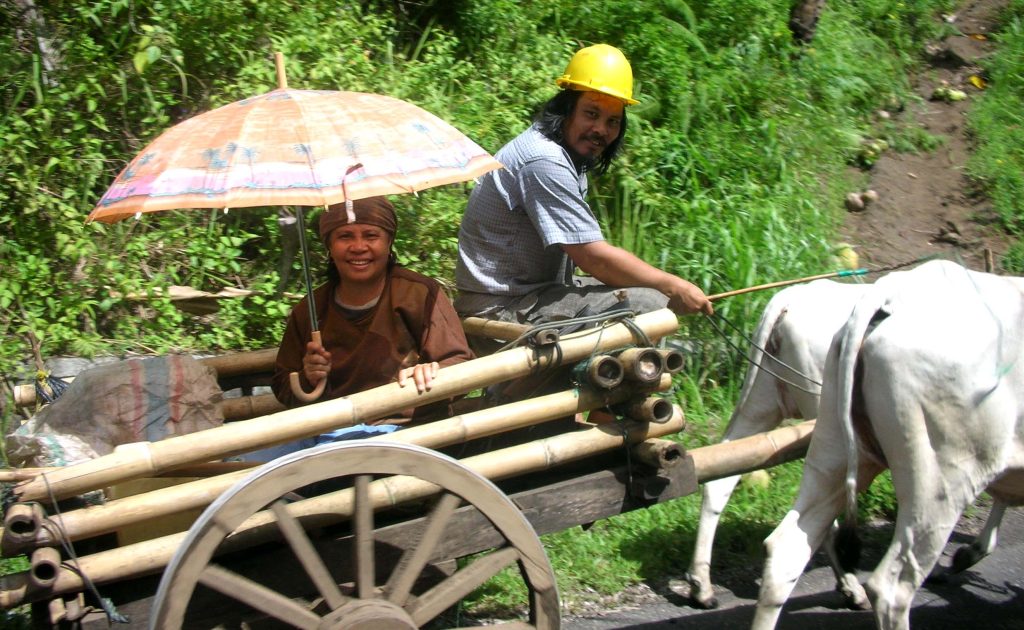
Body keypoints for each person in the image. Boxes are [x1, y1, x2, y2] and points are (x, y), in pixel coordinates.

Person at [455, 44, 713, 327]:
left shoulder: (568, 156)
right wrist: (673, 286)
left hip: (534, 294)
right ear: (566, 110)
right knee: (649, 303)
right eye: (591, 114)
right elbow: (593, 258)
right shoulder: (544, 160)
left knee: (640, 291)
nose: (601, 129)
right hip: (499, 309)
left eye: (612, 121)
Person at [259, 196, 474, 459]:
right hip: (327, 427)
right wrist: (308, 377)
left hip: (402, 432)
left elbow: (459, 363)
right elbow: (283, 385)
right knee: (249, 463)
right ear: (329, 245)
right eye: (345, 236)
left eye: (371, 236)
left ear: (389, 241)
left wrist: (431, 371)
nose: (359, 247)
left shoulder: (418, 293)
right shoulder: (311, 309)